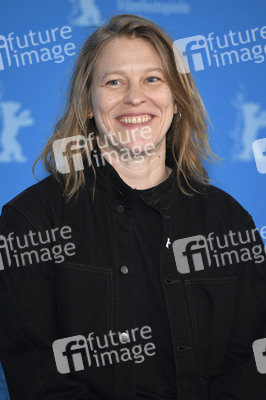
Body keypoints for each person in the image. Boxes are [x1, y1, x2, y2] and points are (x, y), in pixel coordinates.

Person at [0, 13, 265, 400]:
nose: (134, 96)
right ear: (88, 104)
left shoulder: (229, 222)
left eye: (152, 79)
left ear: (176, 102)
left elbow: (249, 370)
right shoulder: (29, 222)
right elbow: (38, 376)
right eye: (113, 81)